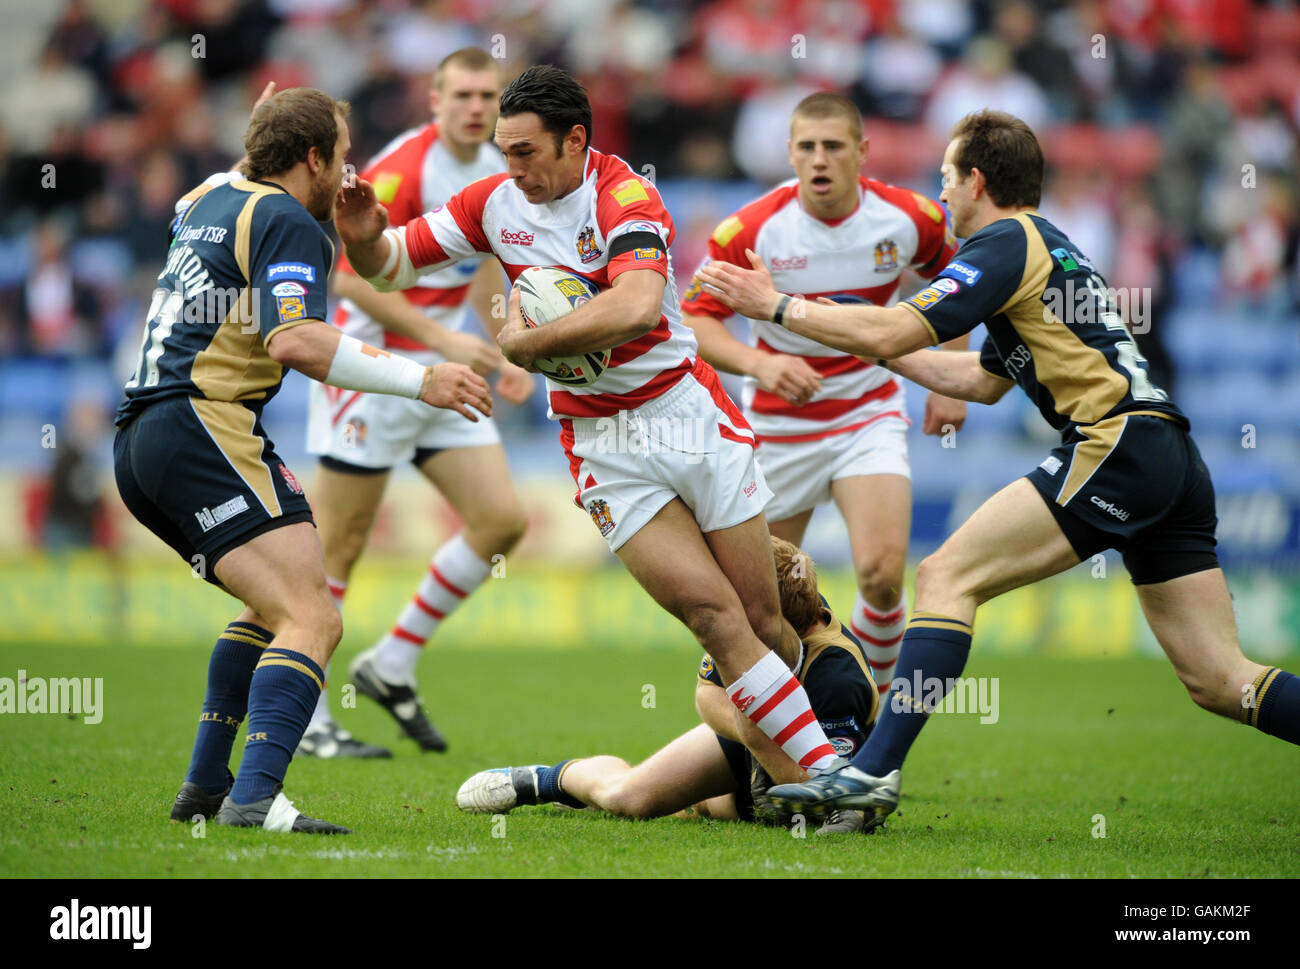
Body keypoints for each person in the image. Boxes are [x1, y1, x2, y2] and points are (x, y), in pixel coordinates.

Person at [697, 109, 1300, 829]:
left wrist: (778, 306)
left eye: (947, 177)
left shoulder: (1001, 242)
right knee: (1219, 678)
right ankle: (869, 768)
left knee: (946, 576)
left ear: (975, 180)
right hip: (1170, 455)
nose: (942, 193)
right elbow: (981, 380)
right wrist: (856, 342)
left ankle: (868, 771)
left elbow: (895, 327)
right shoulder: (1048, 246)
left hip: (1115, 446)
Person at [335, 65, 845, 776]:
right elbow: (390, 267)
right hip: (604, 442)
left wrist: (521, 344)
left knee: (764, 621)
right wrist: (363, 237)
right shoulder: (492, 201)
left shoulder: (626, 196)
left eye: (524, 153)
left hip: (684, 414)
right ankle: (826, 776)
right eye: (503, 152)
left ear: (575, 140)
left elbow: (636, 305)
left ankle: (814, 748)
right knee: (713, 616)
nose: (509, 169)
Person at [112, 85, 492, 834]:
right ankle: (255, 798)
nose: (350, 174)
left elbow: (223, 185)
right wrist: (426, 379)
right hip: (201, 423)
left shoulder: (212, 195)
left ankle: (207, 787)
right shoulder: (288, 220)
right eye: (342, 156)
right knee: (313, 617)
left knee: (275, 607)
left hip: (149, 436)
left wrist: (270, 143)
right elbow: (297, 340)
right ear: (313, 159)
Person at [682, 91, 965, 697]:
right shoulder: (751, 228)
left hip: (869, 411)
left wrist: (953, 370)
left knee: (883, 575)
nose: (819, 159)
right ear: (789, 153)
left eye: (833, 146)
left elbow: (961, 283)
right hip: (780, 428)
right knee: (768, 603)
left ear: (861, 151)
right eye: (806, 147)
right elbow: (697, 325)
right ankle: (766, 734)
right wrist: (760, 364)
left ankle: (872, 727)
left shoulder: (909, 217)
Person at [300, 48, 532, 759]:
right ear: (433, 102)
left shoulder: (498, 173)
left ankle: (391, 661)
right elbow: (346, 276)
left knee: (500, 520)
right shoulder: (404, 170)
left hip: (443, 371)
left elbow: (487, 260)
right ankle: (307, 719)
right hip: (370, 371)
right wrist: (441, 339)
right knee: (337, 550)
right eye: (460, 93)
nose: (474, 106)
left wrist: (507, 342)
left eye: (487, 94)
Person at [455, 536, 878, 832]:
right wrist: (752, 733)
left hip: (803, 754)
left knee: (775, 810)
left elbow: (830, 796)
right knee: (629, 799)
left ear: (770, 613)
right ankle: (543, 779)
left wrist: (772, 759)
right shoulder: (750, 625)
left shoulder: (836, 675)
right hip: (751, 736)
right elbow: (707, 694)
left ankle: (704, 802)